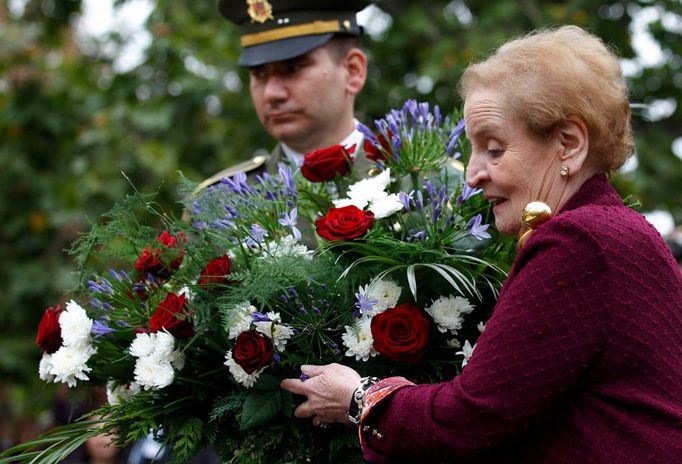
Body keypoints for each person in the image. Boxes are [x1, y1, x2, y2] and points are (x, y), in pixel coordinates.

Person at [281, 25, 682, 463]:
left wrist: (359, 400)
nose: (473, 174)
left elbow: (471, 420)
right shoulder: (614, 231)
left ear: (568, 143)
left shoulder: (579, 243)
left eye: (494, 149)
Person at [198, 0, 373, 188]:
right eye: (259, 74)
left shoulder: (405, 181)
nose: (272, 93)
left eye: (292, 69)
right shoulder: (220, 203)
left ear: (353, 71)